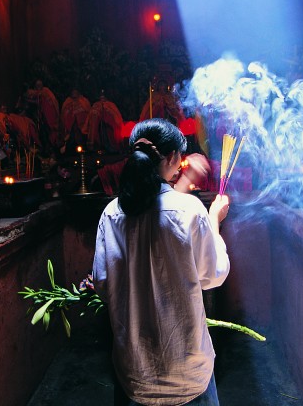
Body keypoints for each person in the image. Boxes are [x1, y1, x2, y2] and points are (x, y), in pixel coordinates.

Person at [93, 118, 230, 406]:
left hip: (135, 372)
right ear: (171, 158)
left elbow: (102, 285)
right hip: (188, 370)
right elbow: (213, 275)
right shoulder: (190, 210)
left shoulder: (111, 213)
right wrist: (214, 221)